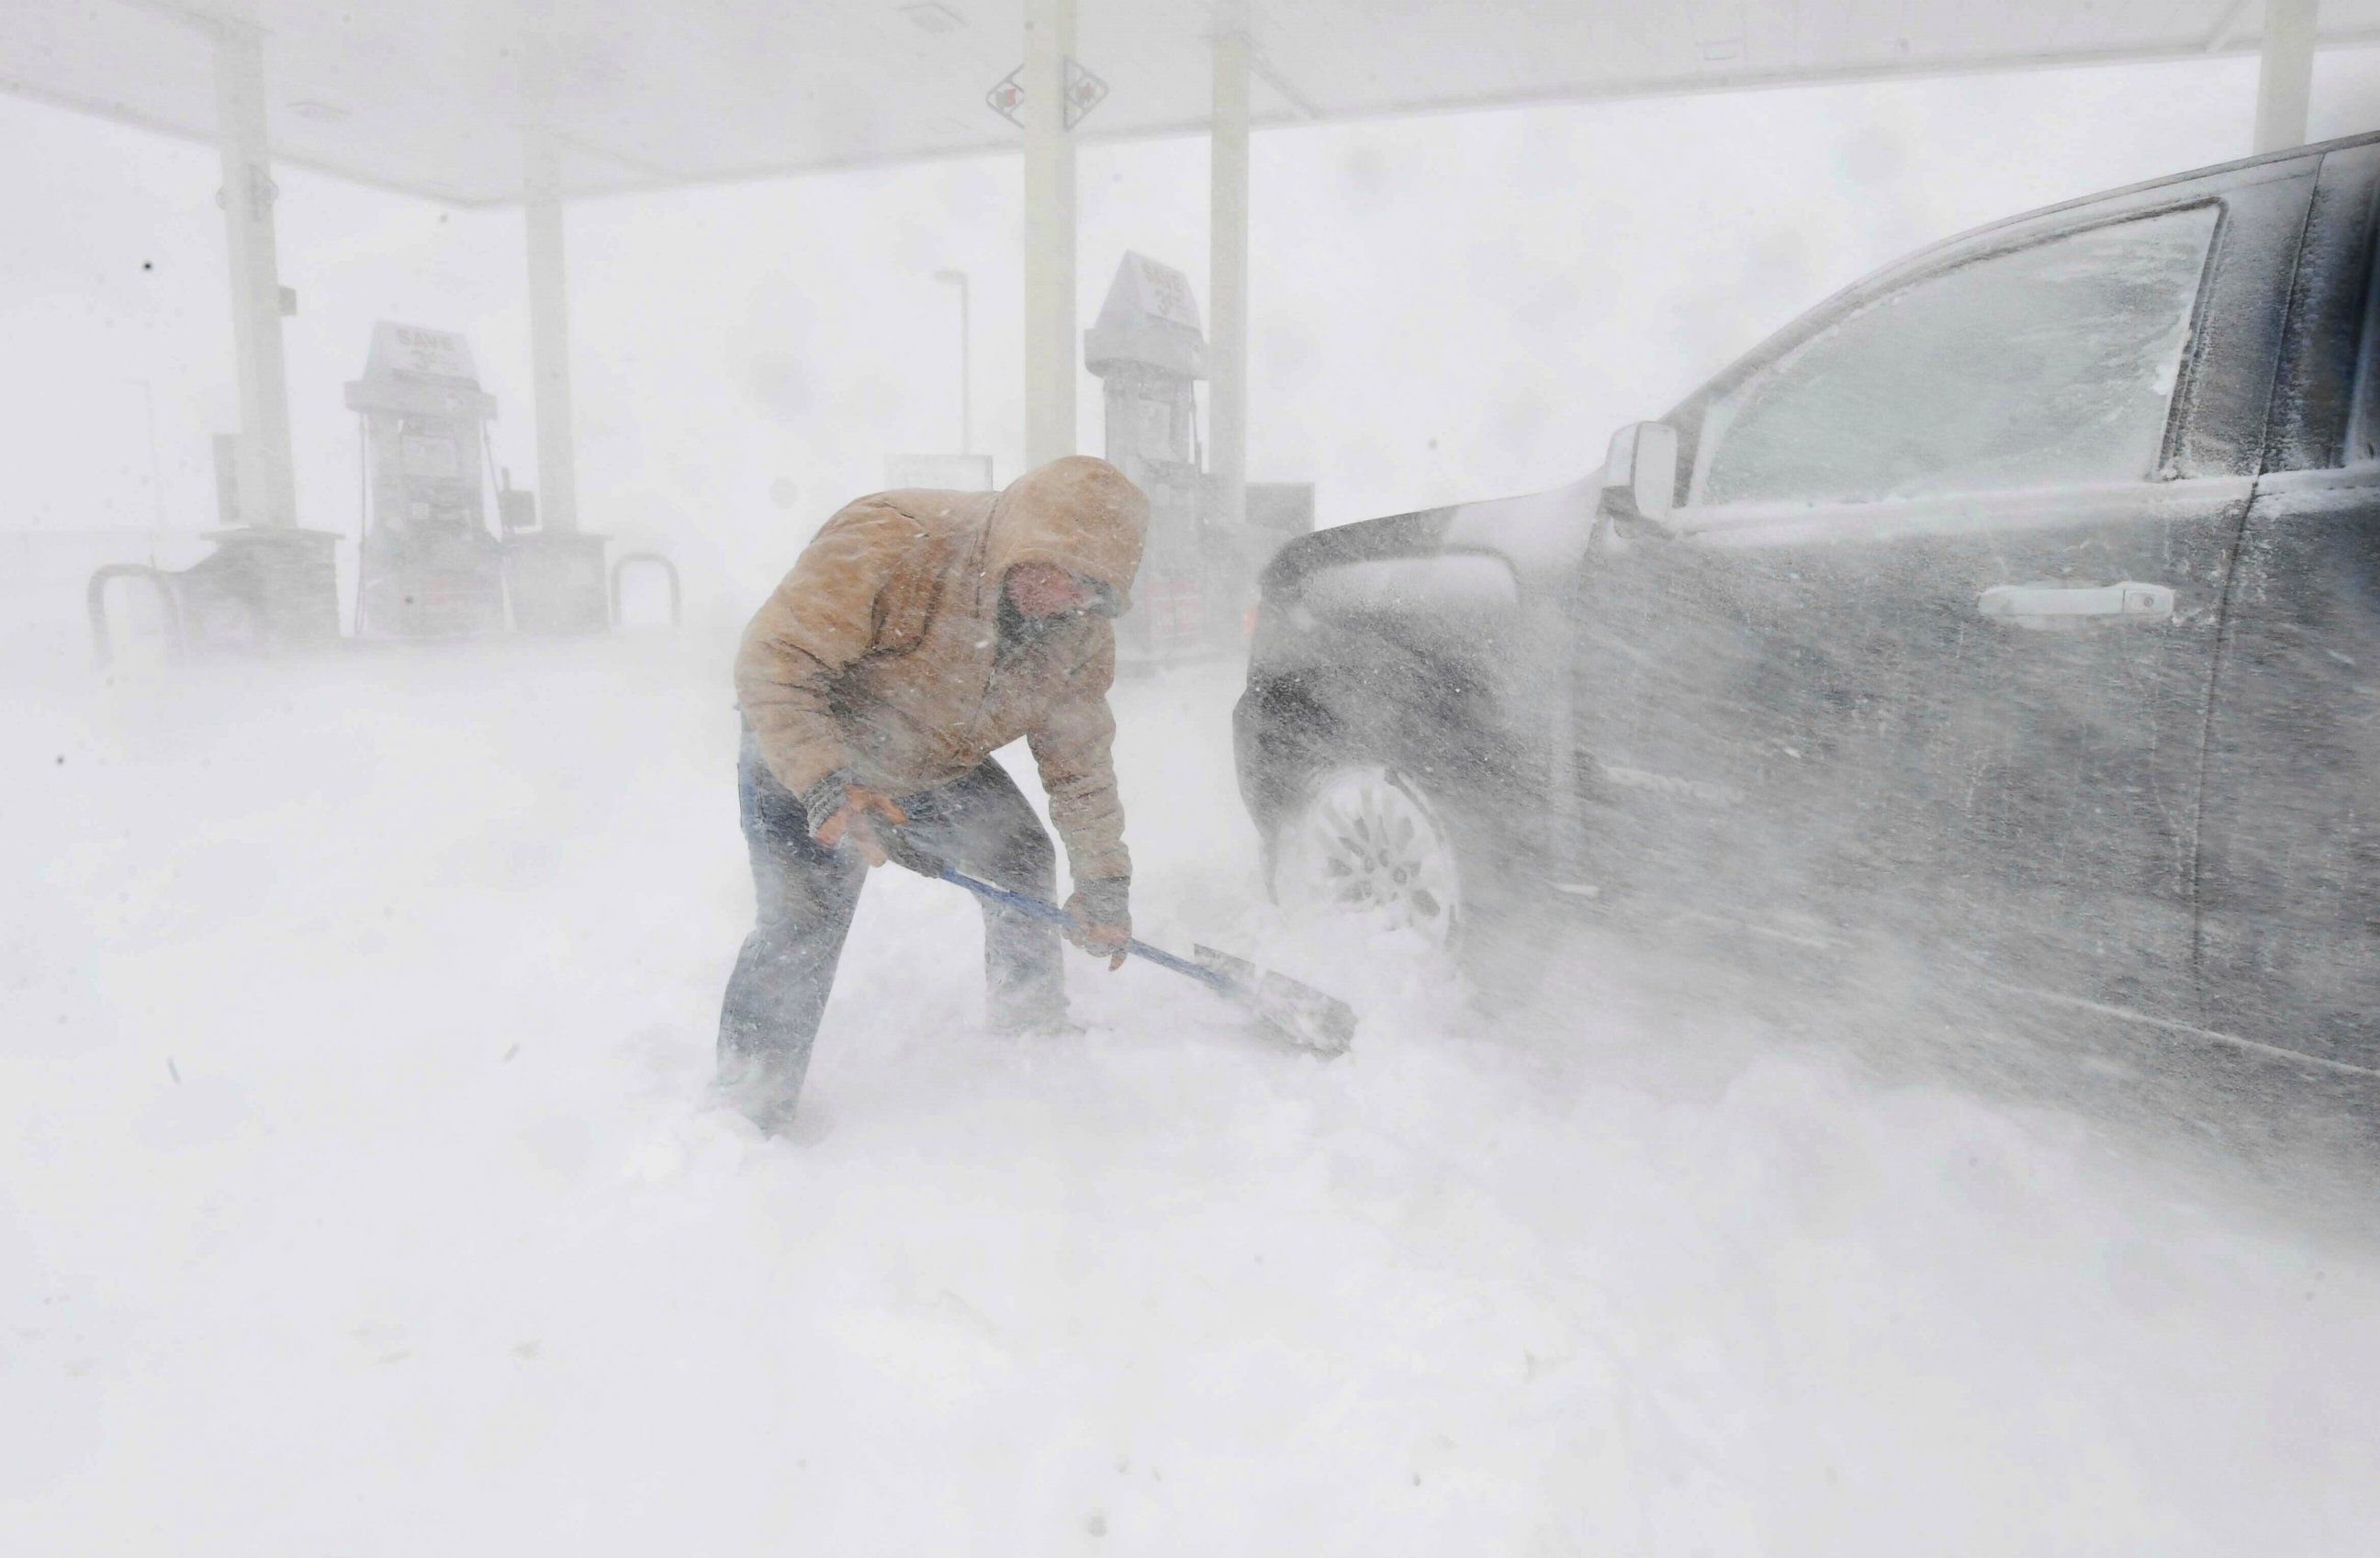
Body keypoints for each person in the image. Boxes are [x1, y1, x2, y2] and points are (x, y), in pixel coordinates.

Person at [717, 455, 1150, 1130]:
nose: (1074, 599)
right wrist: (830, 785)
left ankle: (1030, 1030)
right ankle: (749, 1112)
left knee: (1019, 855)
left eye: (1093, 589)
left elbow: (1081, 765)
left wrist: (1104, 882)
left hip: (927, 758)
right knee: (802, 923)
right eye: (1065, 571)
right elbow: (775, 663)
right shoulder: (895, 537)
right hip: (805, 747)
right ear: (1023, 540)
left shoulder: (1079, 635)